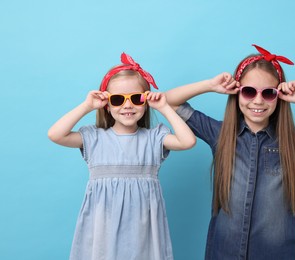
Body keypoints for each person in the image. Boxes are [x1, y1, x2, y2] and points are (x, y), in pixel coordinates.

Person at [165, 44, 295, 259]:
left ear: (278, 96)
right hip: (223, 252)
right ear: (237, 92)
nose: (258, 101)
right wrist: (210, 85)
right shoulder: (219, 133)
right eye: (249, 91)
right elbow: (168, 102)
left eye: (268, 93)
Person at [48, 52, 196, 260]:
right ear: (107, 105)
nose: (128, 105)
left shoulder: (154, 137)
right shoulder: (95, 137)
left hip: (143, 228)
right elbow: (55, 134)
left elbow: (187, 141)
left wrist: (164, 107)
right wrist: (87, 106)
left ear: (145, 101)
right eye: (118, 99)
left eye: (136, 99)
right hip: (103, 228)